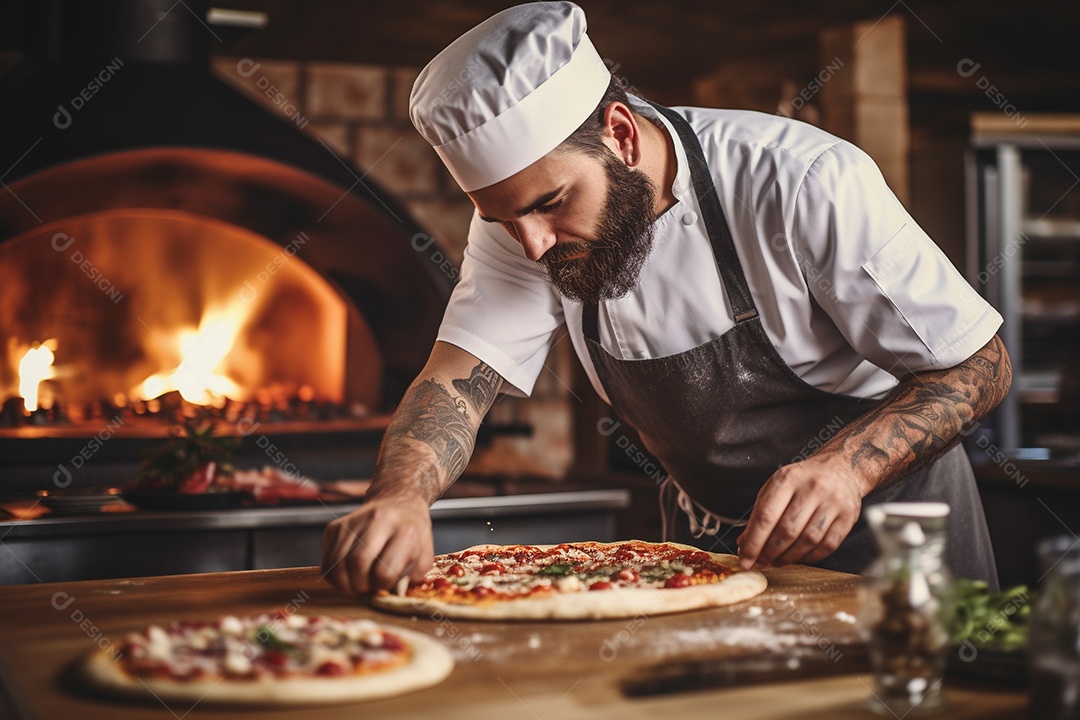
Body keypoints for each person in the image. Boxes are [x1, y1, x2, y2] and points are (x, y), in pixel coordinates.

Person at [322, 1, 1010, 596]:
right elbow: (455, 384)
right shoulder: (526, 223)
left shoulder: (802, 181)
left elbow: (981, 365)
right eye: (504, 219)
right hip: (706, 559)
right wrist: (399, 498)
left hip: (896, 543)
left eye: (551, 203)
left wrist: (847, 468)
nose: (531, 246)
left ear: (620, 134)